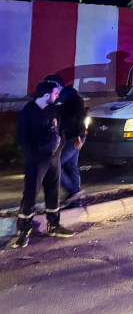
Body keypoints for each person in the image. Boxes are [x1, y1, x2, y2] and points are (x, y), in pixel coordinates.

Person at [13, 82, 75, 248]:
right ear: (46, 95)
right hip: (35, 160)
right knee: (31, 193)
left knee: (53, 191)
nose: (57, 96)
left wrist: (58, 149)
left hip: (53, 160)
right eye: (55, 93)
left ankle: (54, 226)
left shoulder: (53, 109)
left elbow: (60, 130)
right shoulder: (28, 112)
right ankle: (24, 230)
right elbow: (21, 138)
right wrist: (40, 148)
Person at [45, 74, 86, 208]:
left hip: (74, 137)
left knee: (53, 165)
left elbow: (81, 116)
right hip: (67, 136)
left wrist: (79, 135)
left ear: (57, 84)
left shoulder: (71, 97)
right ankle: (75, 201)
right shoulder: (60, 97)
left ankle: (73, 192)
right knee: (70, 166)